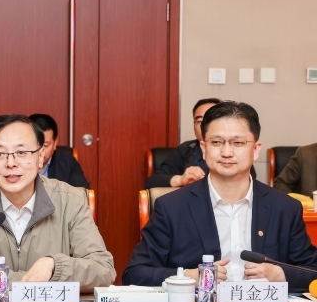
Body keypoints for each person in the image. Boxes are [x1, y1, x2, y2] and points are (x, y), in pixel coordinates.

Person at [124, 101, 317, 292]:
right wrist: (188, 277)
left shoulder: (284, 208)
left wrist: (281, 275)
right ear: (203, 148)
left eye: (238, 143)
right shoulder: (172, 207)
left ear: (256, 149)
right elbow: (135, 273)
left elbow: (312, 270)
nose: (226, 152)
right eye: (216, 142)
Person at [0, 114, 115, 292]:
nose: (11, 163)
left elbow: (103, 270)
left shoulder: (70, 199)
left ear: (40, 156)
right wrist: (36, 283)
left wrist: (54, 266)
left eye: (21, 153)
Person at [146, 98, 222, 188]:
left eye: (210, 120)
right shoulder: (185, 149)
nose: (204, 126)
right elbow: (153, 181)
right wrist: (181, 179)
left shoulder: (234, 150)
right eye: (200, 121)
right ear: (194, 125)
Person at [28, 113, 89, 189]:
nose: (40, 151)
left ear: (55, 143)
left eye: (46, 145)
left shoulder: (67, 162)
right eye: (35, 144)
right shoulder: (16, 162)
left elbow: (82, 193)